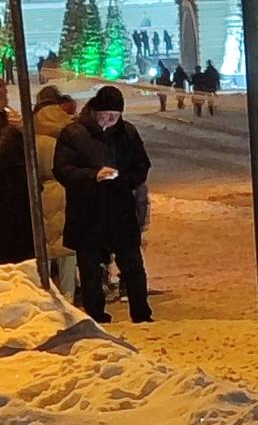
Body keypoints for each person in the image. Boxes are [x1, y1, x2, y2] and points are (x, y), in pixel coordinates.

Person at [53, 86, 153, 324]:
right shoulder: (73, 133)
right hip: (87, 211)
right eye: (105, 114)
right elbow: (62, 170)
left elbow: (142, 165)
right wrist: (93, 175)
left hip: (120, 210)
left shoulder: (128, 133)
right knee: (90, 268)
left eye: (115, 115)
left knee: (132, 264)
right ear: (95, 111)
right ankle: (95, 315)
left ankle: (141, 313)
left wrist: (125, 180)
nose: (110, 120)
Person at [33, 86, 76, 295]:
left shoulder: (31, 132)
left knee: (44, 247)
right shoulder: (70, 130)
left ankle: (47, 294)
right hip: (68, 190)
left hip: (41, 192)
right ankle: (69, 294)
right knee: (68, 248)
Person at [0, 85, 36, 265]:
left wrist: (22, 129)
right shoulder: (8, 130)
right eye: (1, 94)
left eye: (5, 93)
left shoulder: (9, 123)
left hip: (18, 201)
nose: (5, 98)